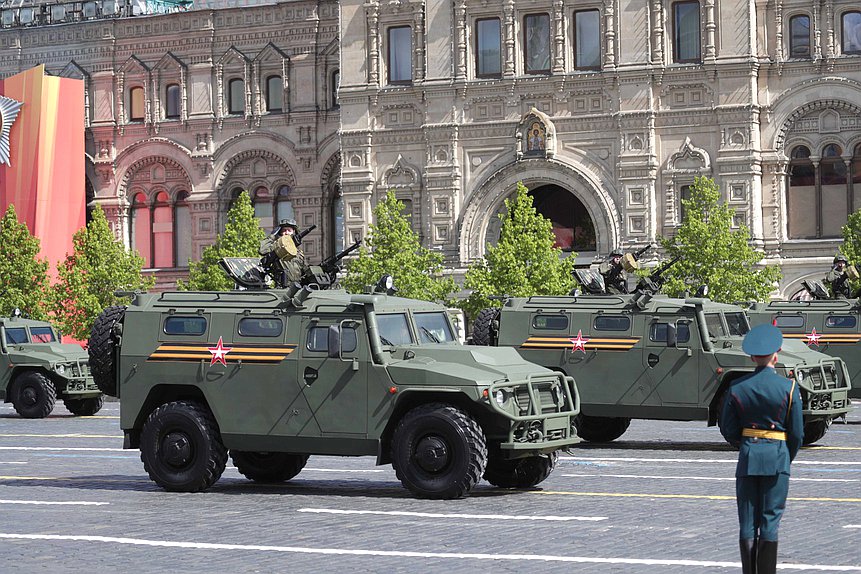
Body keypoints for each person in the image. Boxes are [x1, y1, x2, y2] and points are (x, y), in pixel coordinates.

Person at [719, 324, 803, 574]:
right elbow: (797, 433)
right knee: (770, 521)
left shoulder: (737, 388)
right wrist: (785, 456)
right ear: (776, 354)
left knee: (747, 521)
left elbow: (729, 429)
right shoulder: (788, 388)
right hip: (777, 457)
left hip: (748, 457)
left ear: (752, 356)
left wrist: (747, 445)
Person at [259, 218, 307, 286]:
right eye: (284, 230)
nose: (286, 233)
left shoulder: (299, 252)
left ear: (294, 232)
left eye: (289, 230)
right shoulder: (276, 248)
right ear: (280, 232)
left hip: (297, 287)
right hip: (282, 288)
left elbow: (305, 270)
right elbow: (262, 250)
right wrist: (272, 236)